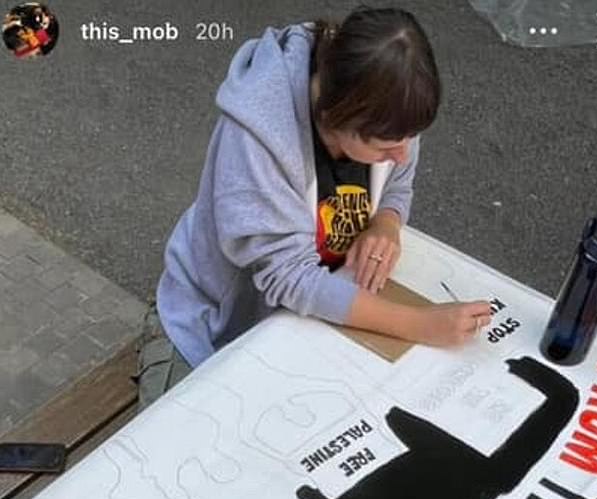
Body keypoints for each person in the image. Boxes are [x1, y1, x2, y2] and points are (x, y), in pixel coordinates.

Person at [139, 6, 491, 406]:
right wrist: (420, 324)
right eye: (387, 147)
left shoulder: (392, 112)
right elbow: (290, 278)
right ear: (337, 116)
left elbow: (398, 181)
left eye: (411, 138)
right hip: (210, 326)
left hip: (300, 320)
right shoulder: (257, 138)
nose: (404, 154)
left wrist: (387, 223)